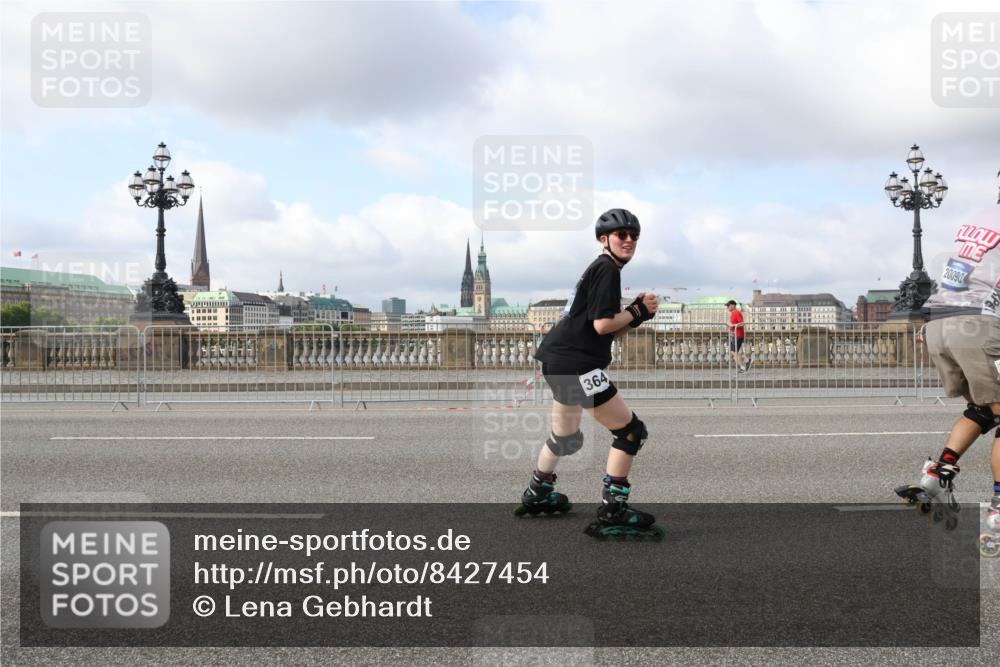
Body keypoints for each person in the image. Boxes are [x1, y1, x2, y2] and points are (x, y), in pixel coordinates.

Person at [517, 208, 661, 537]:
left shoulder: (599, 268)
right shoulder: (608, 269)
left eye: (634, 236)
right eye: (621, 235)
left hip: (556, 362)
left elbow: (606, 329)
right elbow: (602, 325)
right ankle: (614, 508)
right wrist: (637, 310)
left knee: (566, 438)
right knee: (631, 432)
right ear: (604, 239)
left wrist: (635, 316)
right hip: (578, 366)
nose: (629, 240)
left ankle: (538, 491)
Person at [894, 205, 1000, 538]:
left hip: (939, 323)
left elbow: (961, 274)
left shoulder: (979, 219)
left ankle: (937, 474)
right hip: (977, 324)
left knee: (982, 409)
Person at [726, 299, 751, 373]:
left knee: (733, 351)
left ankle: (743, 366)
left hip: (738, 335)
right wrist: (731, 325)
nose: (727, 307)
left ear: (733, 305)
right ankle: (746, 362)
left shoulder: (736, 312)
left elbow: (742, 323)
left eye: (728, 306)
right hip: (735, 335)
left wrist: (732, 325)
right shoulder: (733, 313)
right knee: (736, 352)